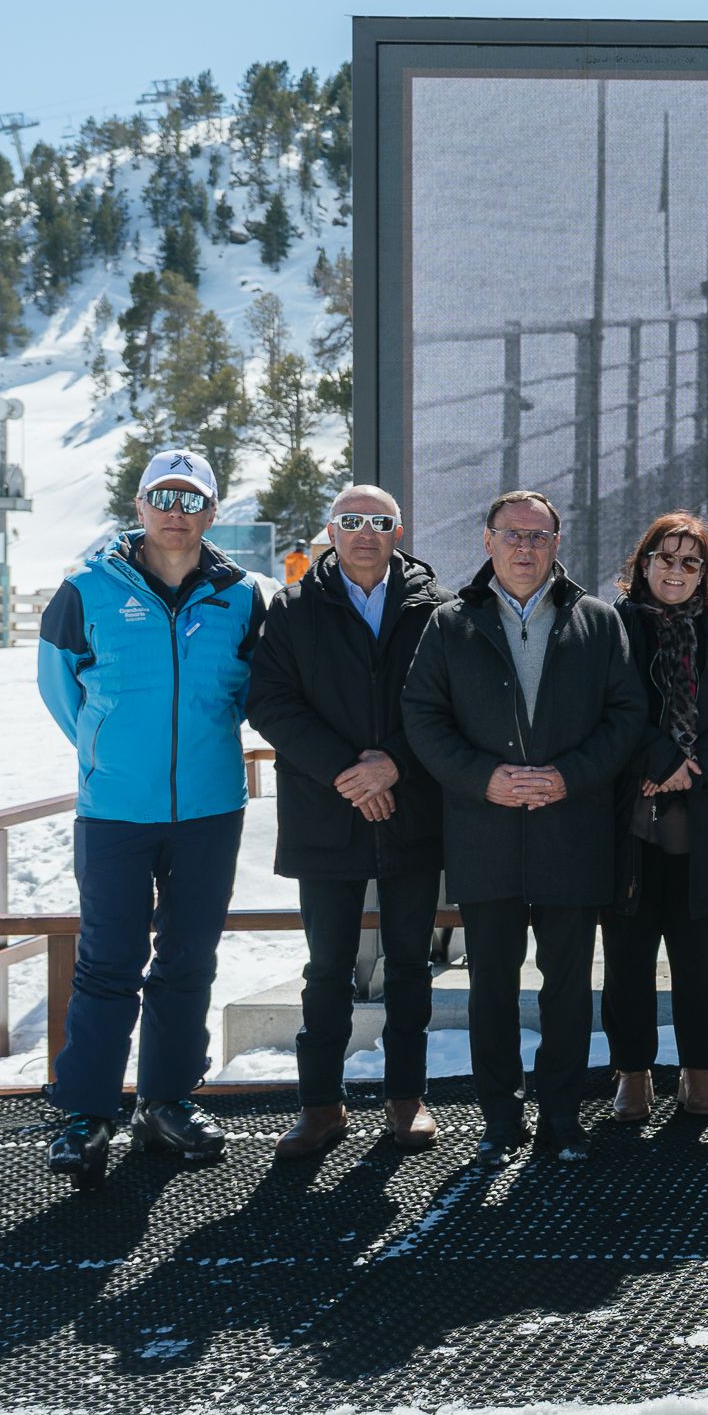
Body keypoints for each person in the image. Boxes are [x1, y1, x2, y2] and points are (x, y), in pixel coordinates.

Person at [36, 448, 272, 1182]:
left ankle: (167, 1100)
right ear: (138, 507)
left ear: (211, 511)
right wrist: (111, 756)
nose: (176, 512)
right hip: (115, 810)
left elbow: (252, 692)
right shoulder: (85, 590)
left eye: (191, 499)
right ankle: (86, 1111)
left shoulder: (244, 596)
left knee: (188, 960)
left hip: (208, 808)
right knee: (108, 961)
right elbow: (60, 692)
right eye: (161, 498)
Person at [402, 490, 647, 1161]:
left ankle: (562, 1116)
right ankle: (501, 1121)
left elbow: (626, 716)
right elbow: (423, 716)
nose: (525, 547)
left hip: (572, 832)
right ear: (488, 541)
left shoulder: (596, 621)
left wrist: (570, 774)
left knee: (567, 987)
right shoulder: (452, 624)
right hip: (486, 833)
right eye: (512, 534)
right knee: (492, 988)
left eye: (539, 536)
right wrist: (484, 777)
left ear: (556, 545)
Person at [246, 483, 449, 1157]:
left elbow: (449, 704)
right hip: (325, 811)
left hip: (412, 807)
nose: (365, 532)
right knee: (326, 966)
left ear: (398, 530)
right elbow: (271, 703)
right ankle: (321, 1105)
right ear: (330, 530)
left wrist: (392, 764)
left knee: (411, 966)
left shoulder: (435, 608)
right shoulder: (295, 606)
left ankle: (406, 1099)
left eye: (379, 521)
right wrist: (348, 773)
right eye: (351, 520)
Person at [605, 514, 708, 1126]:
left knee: (696, 959)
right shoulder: (609, 629)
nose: (676, 571)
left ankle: (699, 1071)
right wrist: (661, 760)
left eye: (690, 562)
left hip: (704, 821)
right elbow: (609, 710)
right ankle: (632, 1072)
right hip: (627, 821)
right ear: (642, 563)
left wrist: (691, 770)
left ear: (705, 573)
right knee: (626, 957)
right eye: (665, 558)